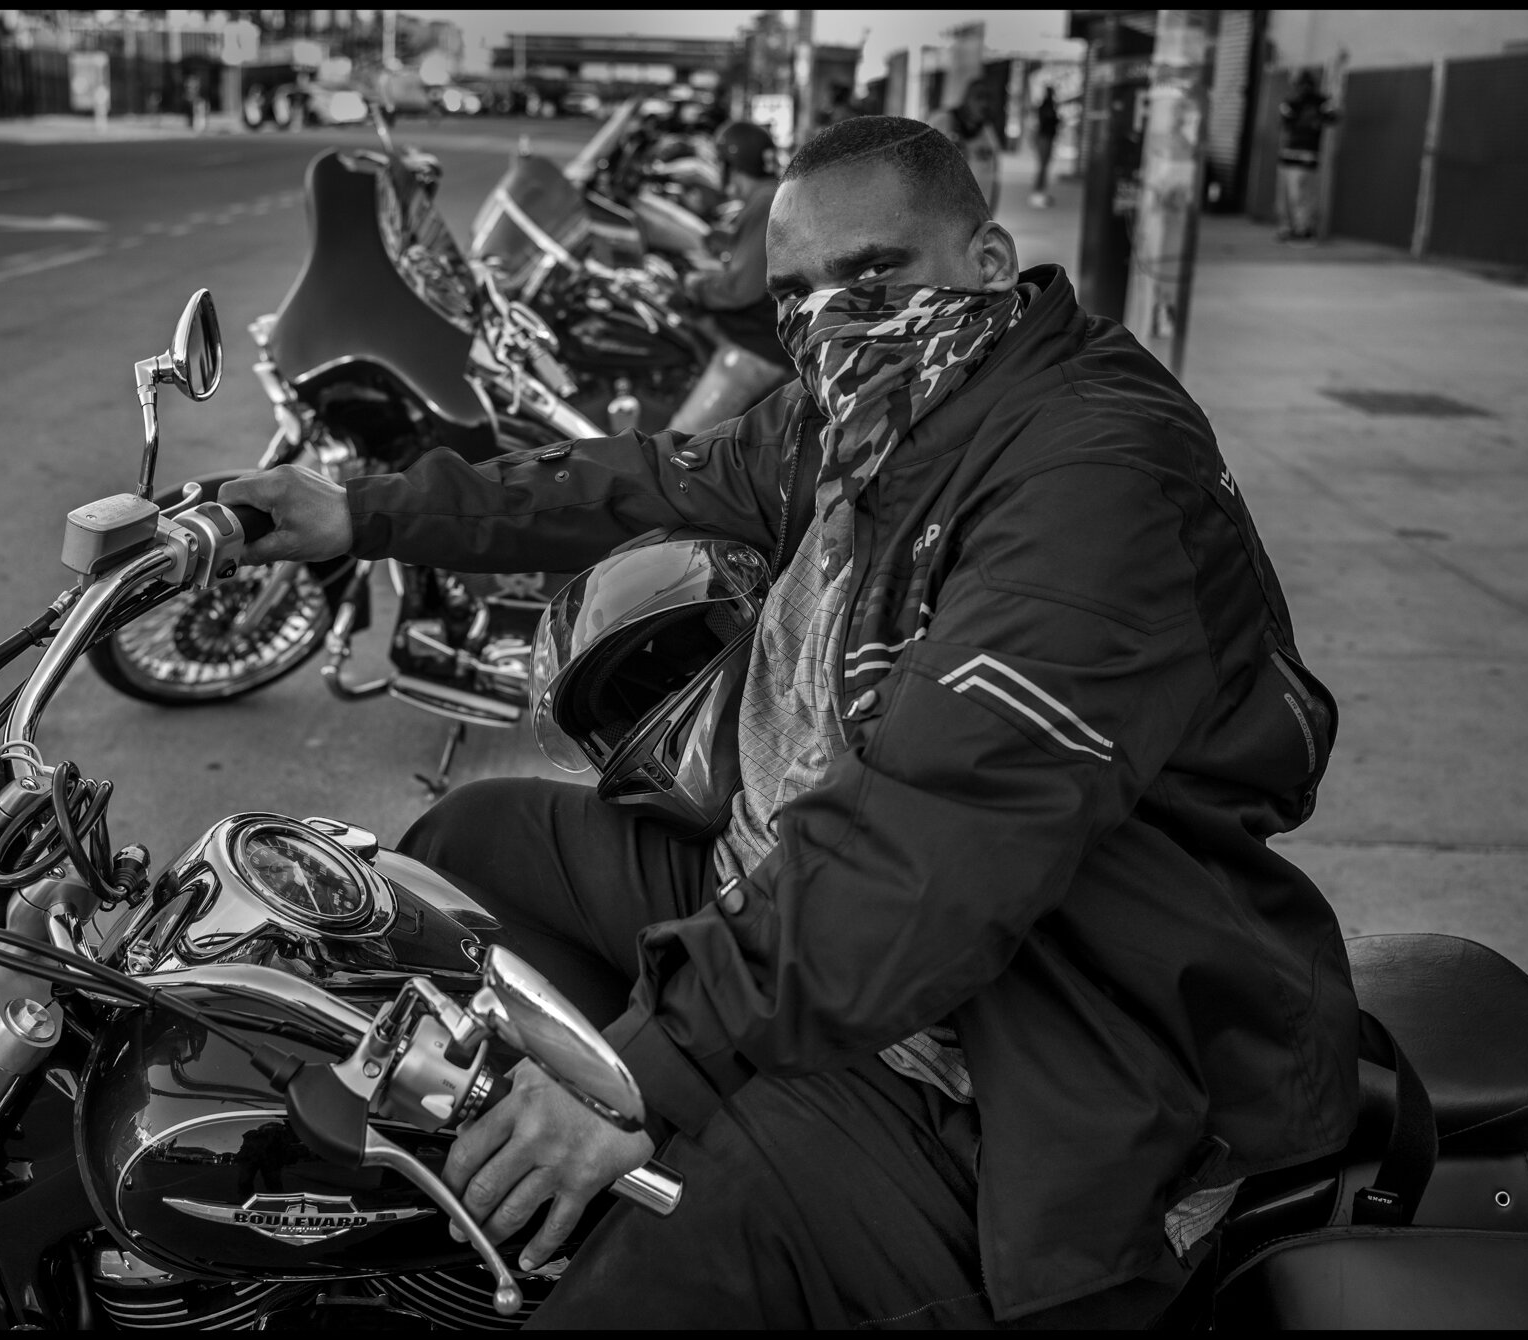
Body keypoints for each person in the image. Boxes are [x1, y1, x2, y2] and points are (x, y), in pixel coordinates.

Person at [220, 114, 1357, 1327]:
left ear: (987, 259)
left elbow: (927, 848)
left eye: (872, 274)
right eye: (798, 295)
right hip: (790, 887)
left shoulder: (1095, 472)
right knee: (469, 843)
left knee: (656, 1262)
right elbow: (638, 477)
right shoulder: (857, 417)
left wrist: (638, 1079)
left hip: (1012, 1011)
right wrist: (361, 512)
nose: (834, 318)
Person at [664, 120, 797, 434]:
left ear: (730, 166)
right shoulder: (770, 195)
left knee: (679, 439)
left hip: (757, 347)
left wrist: (693, 286)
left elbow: (740, 289)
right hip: (764, 335)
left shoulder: (765, 203)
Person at [1276, 69, 1338, 245]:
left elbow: (1332, 117)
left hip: (1305, 156)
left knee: (1300, 195)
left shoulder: (1320, 102)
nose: (1303, 88)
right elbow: (1285, 120)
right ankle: (1291, 228)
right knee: (1289, 195)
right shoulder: (1292, 102)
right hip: (1291, 154)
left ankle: (1303, 229)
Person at [936, 77, 1005, 217]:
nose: (984, 103)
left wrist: (990, 216)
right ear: (966, 98)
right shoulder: (942, 121)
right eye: (979, 97)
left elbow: (995, 178)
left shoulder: (987, 132)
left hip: (975, 217)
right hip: (942, 213)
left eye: (988, 98)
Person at [1030, 86, 1061, 205]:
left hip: (1047, 136)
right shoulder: (1046, 106)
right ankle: (1038, 190)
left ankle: (1040, 189)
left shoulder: (1050, 105)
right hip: (1044, 137)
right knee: (1043, 165)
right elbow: (1046, 121)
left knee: (1044, 165)